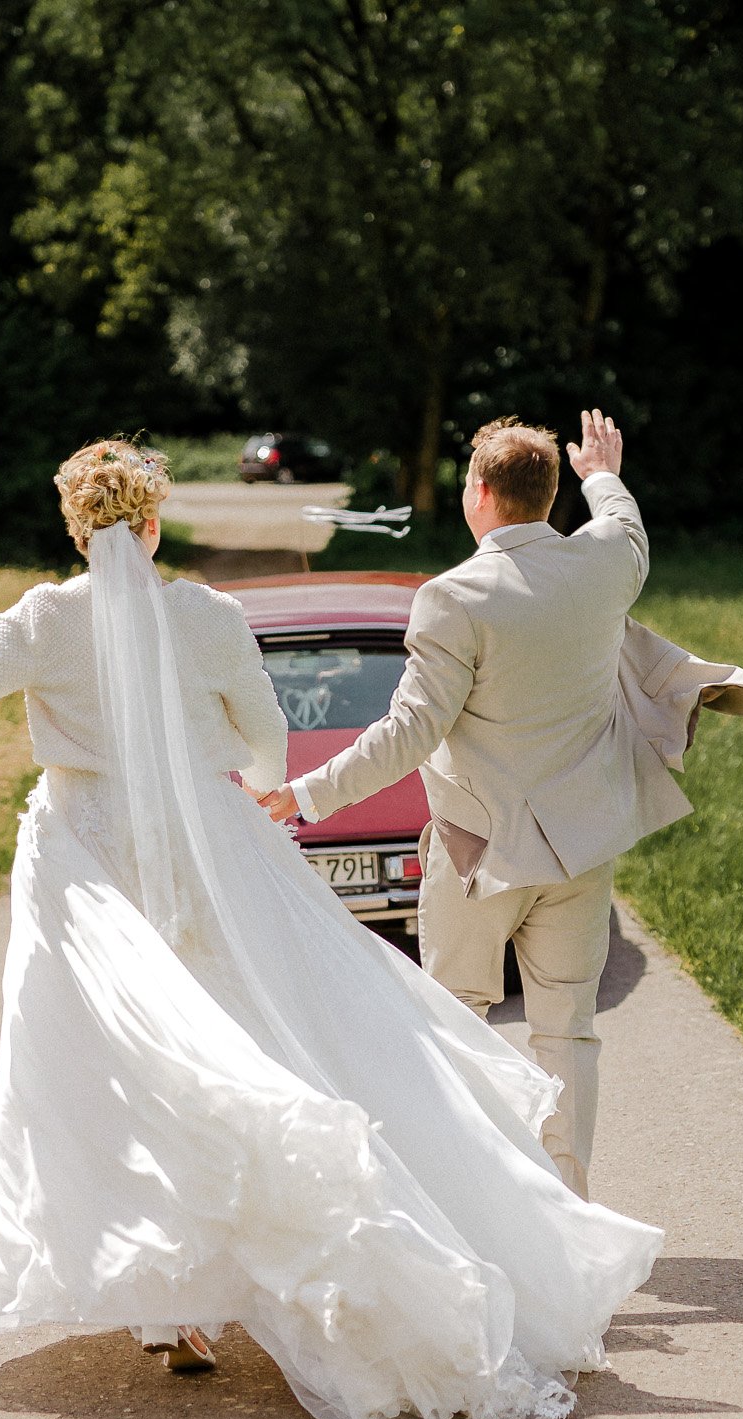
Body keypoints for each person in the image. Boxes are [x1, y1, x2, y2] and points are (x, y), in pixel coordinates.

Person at [0, 438, 659, 1419]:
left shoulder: (46, 619)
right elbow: (266, 734)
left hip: (84, 867)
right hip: (211, 856)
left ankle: (175, 1307)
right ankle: (259, 1274)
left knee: (117, 1067)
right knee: (245, 1047)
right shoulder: (208, 615)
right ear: (151, 524)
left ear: (77, 529)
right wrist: (220, 788)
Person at [262, 412, 670, 1200]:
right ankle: (568, 1207)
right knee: (568, 1036)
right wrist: (603, 473)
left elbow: (408, 732)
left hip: (477, 850)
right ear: (550, 494)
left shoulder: (453, 597)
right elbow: (624, 521)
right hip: (581, 849)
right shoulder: (608, 565)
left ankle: (475, 1203)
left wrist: (307, 792)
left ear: (477, 494)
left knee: (455, 1022)